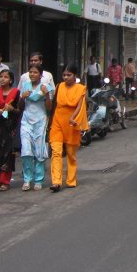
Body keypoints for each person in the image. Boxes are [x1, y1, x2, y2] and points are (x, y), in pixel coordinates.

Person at [48, 63, 88, 192]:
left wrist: (73, 118)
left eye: (69, 75)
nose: (66, 77)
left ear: (75, 76)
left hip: (71, 123)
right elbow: (54, 105)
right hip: (57, 121)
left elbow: (80, 106)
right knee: (56, 152)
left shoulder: (80, 88)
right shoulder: (59, 86)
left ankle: (71, 180)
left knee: (71, 153)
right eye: (64, 75)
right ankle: (56, 182)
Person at [18, 64, 53, 191]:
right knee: (26, 150)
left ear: (40, 75)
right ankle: (27, 179)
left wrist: (47, 95)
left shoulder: (46, 87)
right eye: (30, 72)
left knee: (39, 151)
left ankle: (39, 179)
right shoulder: (25, 86)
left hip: (40, 121)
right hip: (26, 121)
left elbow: (49, 108)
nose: (32, 74)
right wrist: (23, 97)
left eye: (35, 72)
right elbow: (20, 106)